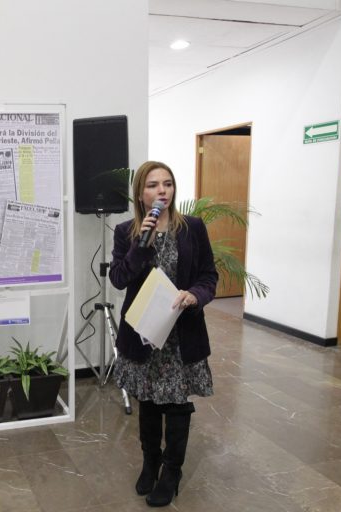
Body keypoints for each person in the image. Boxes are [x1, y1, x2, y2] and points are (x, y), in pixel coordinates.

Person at [109, 161, 218, 507]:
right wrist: (142, 243)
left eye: (167, 184)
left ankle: (171, 470)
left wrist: (195, 295)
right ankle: (150, 462)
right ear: (141, 194)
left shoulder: (193, 229)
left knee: (176, 403)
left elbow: (208, 276)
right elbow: (118, 279)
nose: (162, 191)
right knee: (150, 402)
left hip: (180, 335)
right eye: (153, 185)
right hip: (143, 333)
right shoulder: (127, 231)